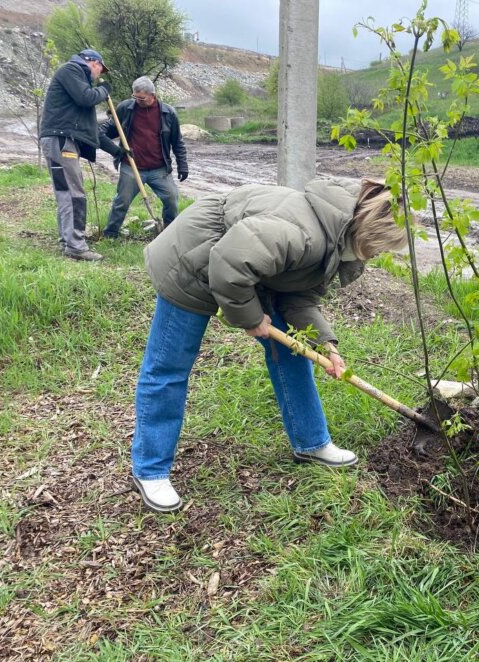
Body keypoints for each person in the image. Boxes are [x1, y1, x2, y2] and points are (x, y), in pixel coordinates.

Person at [130, 178, 407, 513]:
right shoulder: (302, 232)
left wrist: (327, 345)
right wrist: (250, 317)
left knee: (294, 352)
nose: (379, 255)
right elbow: (229, 265)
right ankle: (151, 469)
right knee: (169, 365)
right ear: (368, 233)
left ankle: (311, 442)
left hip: (251, 268)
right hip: (195, 258)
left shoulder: (338, 236)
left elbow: (302, 294)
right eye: (382, 248)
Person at [39, 49, 115, 261]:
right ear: (93, 62)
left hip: (59, 139)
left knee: (66, 192)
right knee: (74, 193)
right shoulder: (71, 69)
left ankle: (67, 240)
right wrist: (104, 91)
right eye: (101, 69)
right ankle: (76, 246)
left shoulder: (73, 74)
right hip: (61, 139)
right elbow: (86, 98)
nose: (100, 75)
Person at [100, 76, 188, 238]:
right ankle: (110, 234)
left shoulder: (168, 113)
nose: (138, 101)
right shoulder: (125, 108)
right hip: (131, 166)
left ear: (152, 95)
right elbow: (112, 130)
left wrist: (183, 165)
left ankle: (168, 233)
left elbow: (177, 142)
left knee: (171, 199)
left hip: (159, 168)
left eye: (142, 98)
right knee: (122, 201)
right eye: (135, 97)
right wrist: (108, 135)